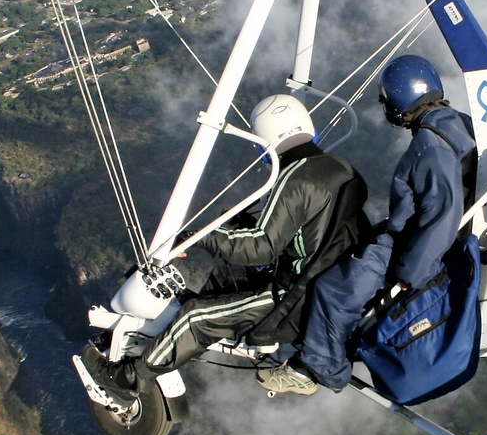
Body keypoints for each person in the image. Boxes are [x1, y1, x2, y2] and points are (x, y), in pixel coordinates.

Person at [259, 54, 476, 395]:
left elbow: (440, 215)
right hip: (411, 234)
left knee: (332, 290)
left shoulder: (429, 147)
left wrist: (412, 274)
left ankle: (318, 368)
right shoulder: (455, 122)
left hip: (410, 245)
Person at [139, 93, 369, 375]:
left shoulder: (295, 178)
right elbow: (312, 232)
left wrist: (200, 236)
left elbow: (262, 247)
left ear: (266, 141)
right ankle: (185, 330)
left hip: (295, 297)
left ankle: (130, 378)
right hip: (331, 284)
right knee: (226, 277)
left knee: (195, 317)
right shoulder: (340, 166)